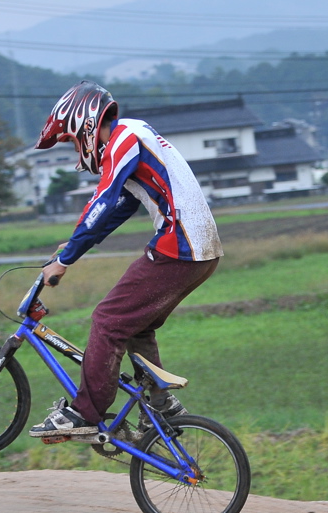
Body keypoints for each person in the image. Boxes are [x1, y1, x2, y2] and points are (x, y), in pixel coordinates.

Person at [28, 80, 223, 437]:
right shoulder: (133, 134)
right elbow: (119, 208)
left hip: (180, 246)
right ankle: (160, 406)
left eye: (72, 141)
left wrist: (64, 260)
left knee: (108, 319)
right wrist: (72, 248)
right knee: (137, 323)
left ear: (84, 125)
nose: (76, 150)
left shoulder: (123, 140)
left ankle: (86, 413)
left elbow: (102, 202)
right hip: (197, 250)